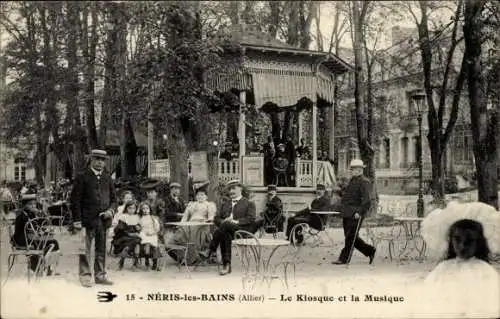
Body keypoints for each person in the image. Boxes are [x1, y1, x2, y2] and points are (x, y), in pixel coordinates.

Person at [419, 201, 500, 317]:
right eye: (457, 239)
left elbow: (492, 304)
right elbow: (428, 299)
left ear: (479, 243)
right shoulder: (443, 270)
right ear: (450, 240)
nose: (462, 246)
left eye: (469, 241)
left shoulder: (484, 272)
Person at [70, 149, 116, 287]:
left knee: (101, 249)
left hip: (103, 221)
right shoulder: (82, 176)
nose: (100, 162)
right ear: (91, 160)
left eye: (102, 160)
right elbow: (75, 200)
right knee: (85, 249)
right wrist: (77, 220)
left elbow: (114, 199)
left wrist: (111, 211)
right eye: (97, 159)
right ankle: (85, 276)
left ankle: (100, 275)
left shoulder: (107, 178)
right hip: (86, 220)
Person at [199, 180, 258, 275]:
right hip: (227, 230)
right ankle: (227, 265)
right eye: (230, 189)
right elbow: (216, 218)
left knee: (225, 226)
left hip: (242, 231)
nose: (231, 191)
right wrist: (224, 222)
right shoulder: (225, 204)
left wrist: (236, 221)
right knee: (225, 232)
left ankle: (210, 249)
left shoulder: (249, 203)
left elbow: (251, 219)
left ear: (241, 189)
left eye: (234, 188)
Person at [332, 159, 376, 265]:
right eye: (352, 169)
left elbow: (367, 200)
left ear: (360, 170)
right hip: (347, 212)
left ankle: (344, 259)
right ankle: (370, 250)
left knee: (350, 236)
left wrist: (360, 213)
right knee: (350, 236)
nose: (352, 171)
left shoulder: (365, 182)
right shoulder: (353, 180)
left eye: (354, 169)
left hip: (355, 214)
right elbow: (350, 196)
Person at [167, 182, 216, 264]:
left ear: (206, 197)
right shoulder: (192, 204)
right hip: (190, 223)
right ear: (196, 196)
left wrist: (208, 220)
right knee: (182, 232)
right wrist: (182, 224)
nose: (200, 197)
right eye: (198, 195)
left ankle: (196, 257)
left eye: (202, 195)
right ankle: (185, 257)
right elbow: (186, 216)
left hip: (202, 224)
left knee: (196, 233)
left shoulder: (209, 205)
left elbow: (211, 216)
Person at [12, 193, 60, 276]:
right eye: (30, 204)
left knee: (52, 243)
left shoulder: (30, 214)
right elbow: (31, 228)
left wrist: (42, 223)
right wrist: (40, 231)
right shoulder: (22, 216)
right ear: (24, 206)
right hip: (23, 240)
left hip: (30, 238)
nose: (33, 206)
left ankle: (44, 266)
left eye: (34, 204)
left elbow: (37, 226)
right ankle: (40, 266)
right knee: (50, 243)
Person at [112, 200, 142, 270]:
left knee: (136, 242)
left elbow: (140, 228)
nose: (132, 210)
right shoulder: (123, 217)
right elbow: (121, 230)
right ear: (126, 208)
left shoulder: (137, 217)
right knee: (136, 241)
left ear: (136, 209)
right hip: (124, 236)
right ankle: (132, 263)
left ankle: (132, 263)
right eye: (130, 208)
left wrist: (138, 228)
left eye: (133, 208)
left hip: (134, 237)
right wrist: (131, 234)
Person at [138, 201, 161, 271]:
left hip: (152, 233)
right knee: (147, 243)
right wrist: (142, 231)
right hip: (143, 234)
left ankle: (155, 262)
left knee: (155, 246)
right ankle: (147, 259)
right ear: (141, 210)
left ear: (150, 209)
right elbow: (139, 228)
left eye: (147, 208)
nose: (145, 210)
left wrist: (153, 232)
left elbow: (157, 227)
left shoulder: (153, 218)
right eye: (143, 209)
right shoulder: (140, 218)